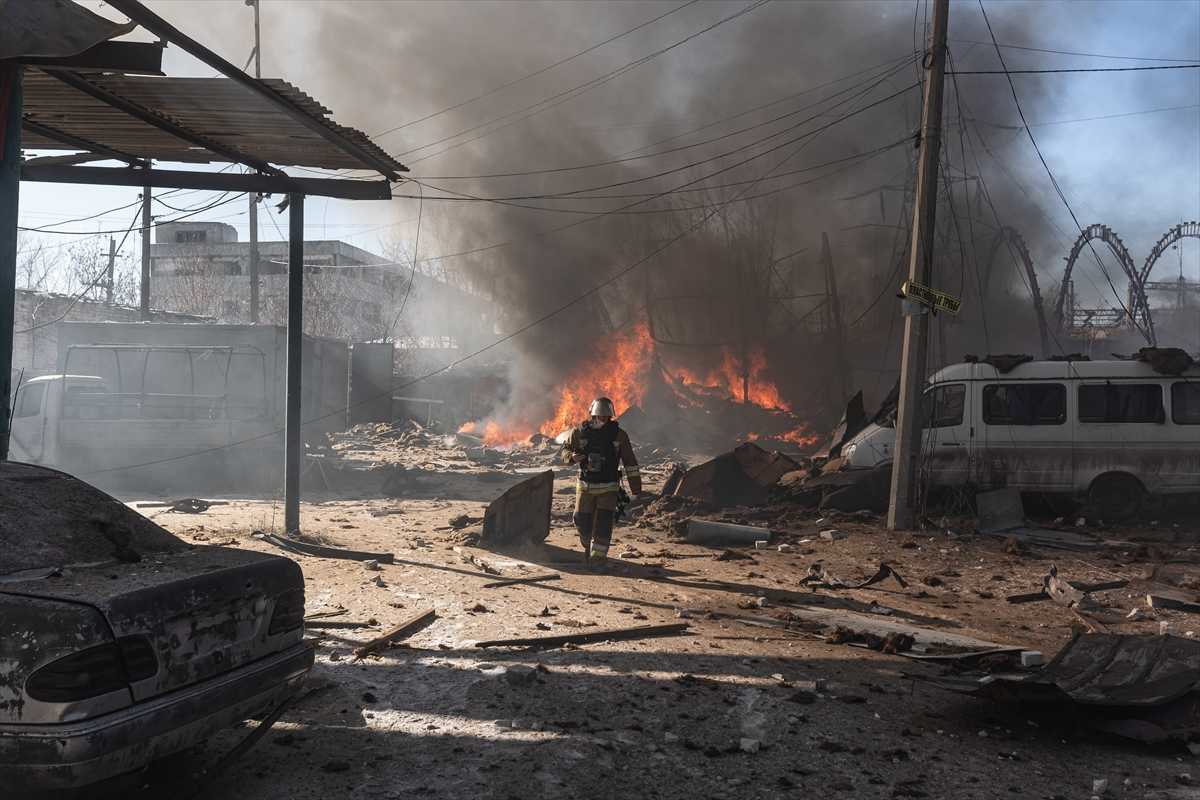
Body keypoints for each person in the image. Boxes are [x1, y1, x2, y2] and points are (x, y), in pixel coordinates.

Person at [561, 397, 641, 568]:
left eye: (606, 417)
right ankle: (585, 542)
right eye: (600, 416)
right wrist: (572, 457)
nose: (603, 420)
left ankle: (598, 560)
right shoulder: (579, 432)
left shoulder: (619, 435)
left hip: (609, 487)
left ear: (611, 416)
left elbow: (630, 461)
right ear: (593, 415)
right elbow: (565, 450)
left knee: (604, 524)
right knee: (581, 520)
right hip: (585, 486)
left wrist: (636, 488)